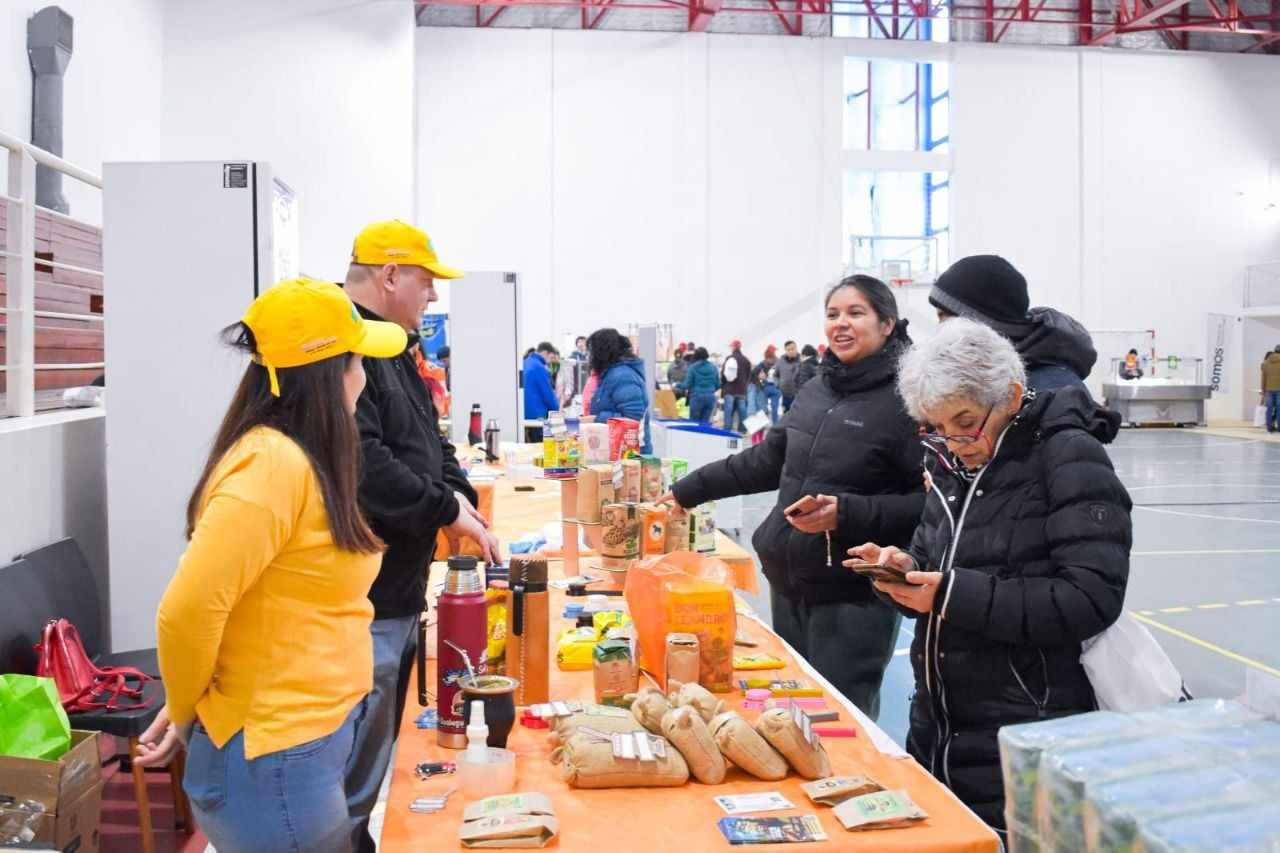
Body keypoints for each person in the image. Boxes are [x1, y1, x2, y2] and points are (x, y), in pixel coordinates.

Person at [134, 279, 408, 851]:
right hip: (274, 760)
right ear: (329, 374)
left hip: (303, 743)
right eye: (358, 362)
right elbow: (186, 611)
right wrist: (189, 712)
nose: (365, 378)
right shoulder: (270, 465)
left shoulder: (304, 456)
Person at [848, 318, 1131, 834]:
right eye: (937, 425)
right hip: (941, 727)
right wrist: (905, 570)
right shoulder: (952, 464)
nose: (956, 439)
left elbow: (1091, 597)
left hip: (1030, 731)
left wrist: (951, 593)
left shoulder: (1069, 456)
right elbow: (937, 563)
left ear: (1014, 396)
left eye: (967, 419)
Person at [662, 276, 924, 718]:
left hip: (852, 595)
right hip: (789, 581)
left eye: (856, 313)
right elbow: (766, 460)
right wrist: (687, 491)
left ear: (887, 325)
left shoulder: (908, 402)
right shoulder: (818, 388)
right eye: (833, 314)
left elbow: (927, 504)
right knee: (792, 714)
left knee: (840, 722)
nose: (841, 324)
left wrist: (848, 514)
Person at [342, 221, 499, 852]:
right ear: (390, 276)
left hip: (399, 588)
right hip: (366, 595)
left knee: (379, 746)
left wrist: (459, 493)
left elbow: (430, 440)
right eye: (427, 283)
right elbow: (368, 466)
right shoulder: (346, 349)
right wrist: (446, 511)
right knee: (353, 763)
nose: (432, 297)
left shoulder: (394, 347)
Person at [930, 255, 1098, 393]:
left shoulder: (1052, 392)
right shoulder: (989, 375)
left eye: (944, 317)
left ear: (984, 324)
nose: (940, 329)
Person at [587, 327, 652, 453]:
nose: (590, 357)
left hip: (629, 455)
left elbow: (633, 418)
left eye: (592, 352)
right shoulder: (612, 373)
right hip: (618, 451)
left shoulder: (622, 376)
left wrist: (597, 419)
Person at [679, 346, 720, 424]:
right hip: (710, 398)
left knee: (694, 424)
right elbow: (718, 384)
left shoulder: (693, 368)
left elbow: (687, 384)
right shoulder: (713, 367)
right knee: (704, 424)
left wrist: (677, 385)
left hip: (696, 397)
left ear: (696, 356)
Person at [523, 342, 560, 421]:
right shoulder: (539, 367)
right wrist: (557, 409)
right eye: (551, 357)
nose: (549, 362)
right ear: (545, 353)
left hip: (523, 414)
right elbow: (547, 394)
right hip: (538, 416)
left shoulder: (525, 362)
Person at [721, 340, 752, 433]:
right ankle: (743, 429)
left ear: (733, 347)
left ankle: (727, 430)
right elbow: (749, 375)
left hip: (729, 389)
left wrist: (723, 385)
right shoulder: (746, 360)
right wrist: (744, 385)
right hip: (741, 390)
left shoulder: (729, 358)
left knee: (728, 410)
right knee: (742, 410)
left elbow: (723, 374)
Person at [756, 345, 782, 424]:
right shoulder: (779, 362)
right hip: (775, 388)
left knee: (763, 408)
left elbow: (754, 372)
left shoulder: (763, 362)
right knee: (774, 409)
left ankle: (762, 425)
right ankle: (775, 426)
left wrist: (759, 377)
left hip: (766, 387)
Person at [777, 340, 801, 413]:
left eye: (793, 349)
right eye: (788, 350)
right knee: (786, 417)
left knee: (798, 416)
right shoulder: (781, 361)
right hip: (785, 395)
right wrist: (778, 384)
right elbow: (775, 375)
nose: (791, 351)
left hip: (798, 395)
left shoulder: (802, 361)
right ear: (785, 351)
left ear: (796, 348)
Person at [1262, 345, 1280, 432]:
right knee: (1279, 408)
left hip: (1269, 389)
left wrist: (1263, 390)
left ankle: (1269, 427)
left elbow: (1263, 378)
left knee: (1269, 409)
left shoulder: (1265, 363)